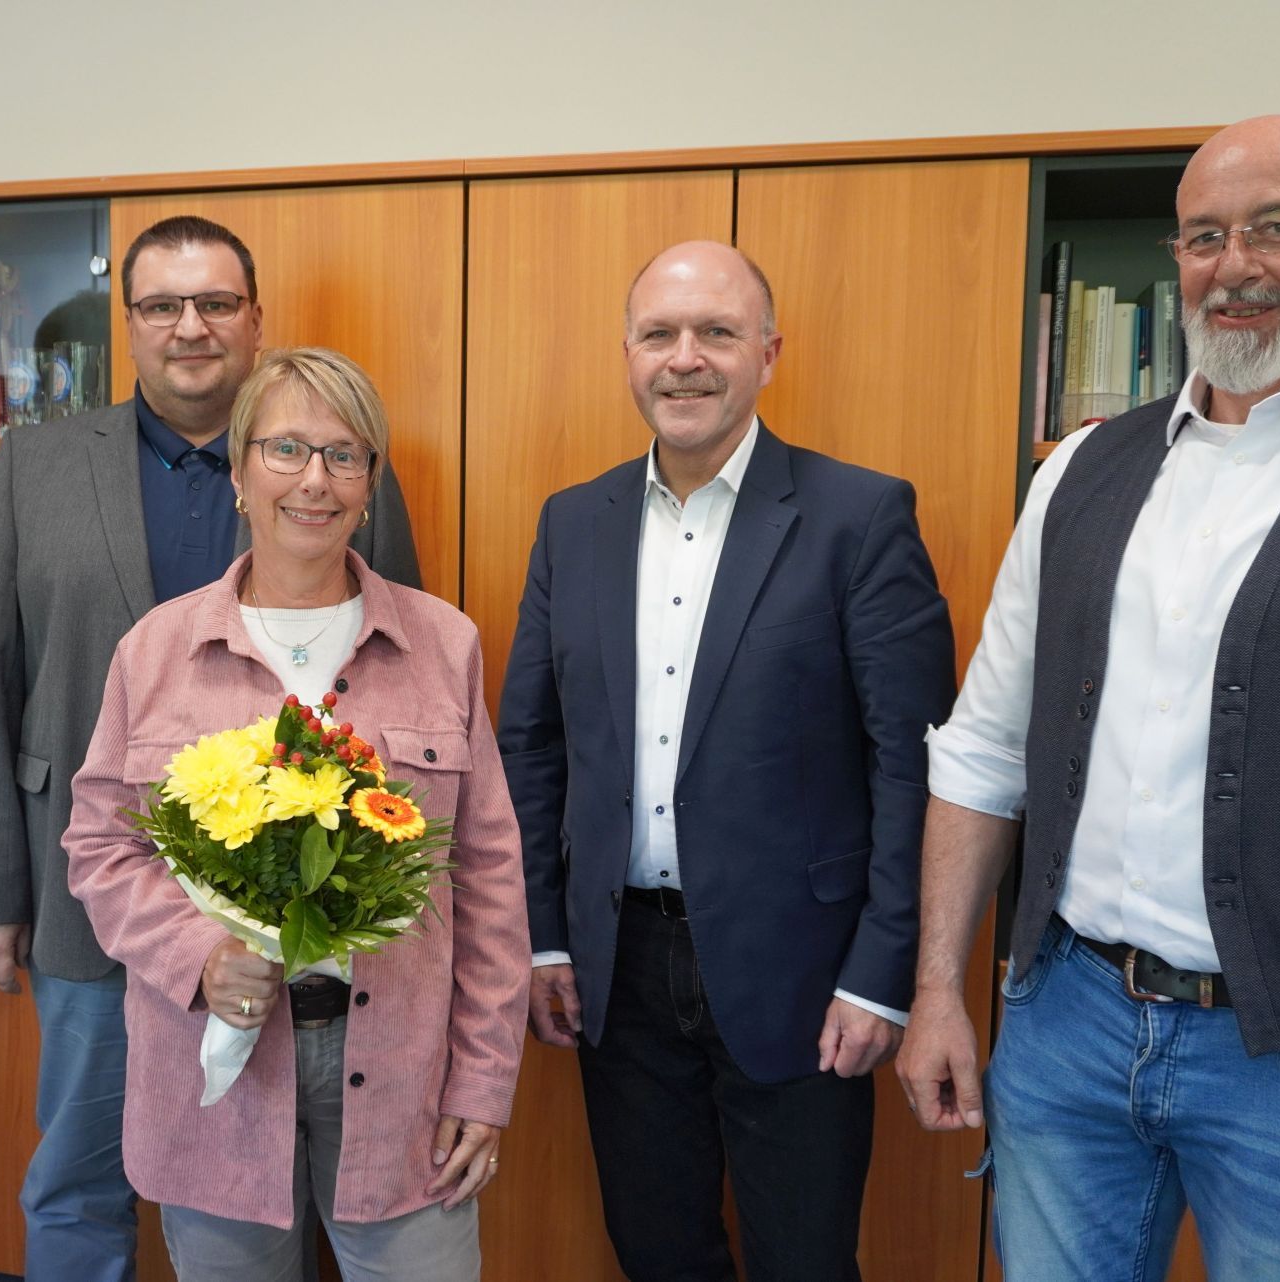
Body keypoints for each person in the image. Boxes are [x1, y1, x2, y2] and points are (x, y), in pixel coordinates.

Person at [899, 114, 1280, 1282]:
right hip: (1066, 1032)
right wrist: (940, 986)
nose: (1234, 266)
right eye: (1203, 237)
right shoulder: (1079, 471)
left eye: (1278, 228)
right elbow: (987, 748)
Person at [0, 217, 420, 1279]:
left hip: (298, 917)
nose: (189, 327)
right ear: (132, 324)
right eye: (161, 305)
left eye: (215, 303)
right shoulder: (39, 460)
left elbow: (403, 676)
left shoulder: (329, 469)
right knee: (77, 1175)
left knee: (277, 1179)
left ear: (255, 319)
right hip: (91, 896)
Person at [495, 240, 956, 1281]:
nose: (685, 359)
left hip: (805, 976)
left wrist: (885, 977)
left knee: (803, 1258)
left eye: (717, 333)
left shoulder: (859, 517)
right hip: (617, 972)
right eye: (660, 334)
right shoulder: (574, 523)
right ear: (627, 354)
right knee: (658, 1251)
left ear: (769, 352)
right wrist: (545, 941)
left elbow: (911, 762)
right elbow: (530, 746)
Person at [61, 346, 525, 1281]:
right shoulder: (155, 651)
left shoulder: (445, 645)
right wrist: (200, 958)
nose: (314, 480)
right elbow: (100, 846)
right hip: (218, 1077)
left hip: (403, 1082)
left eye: (344, 456)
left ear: (369, 486)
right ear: (238, 474)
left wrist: (483, 1078)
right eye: (285, 450)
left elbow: (487, 877)